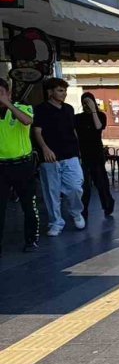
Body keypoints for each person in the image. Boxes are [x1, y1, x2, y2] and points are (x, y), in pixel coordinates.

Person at [33, 78, 85, 236]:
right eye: (60, 90)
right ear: (50, 92)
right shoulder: (41, 109)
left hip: (70, 154)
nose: (64, 94)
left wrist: (78, 150)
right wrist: (45, 149)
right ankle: (55, 222)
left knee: (76, 186)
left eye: (64, 90)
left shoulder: (69, 109)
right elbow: (37, 131)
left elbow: (73, 130)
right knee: (51, 191)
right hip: (50, 158)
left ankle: (76, 212)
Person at [0, 78, 39, 255]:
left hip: (22, 165)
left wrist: (7, 104)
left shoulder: (22, 107)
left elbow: (27, 121)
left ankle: (31, 240)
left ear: (8, 93)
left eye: (1, 92)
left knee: (28, 205)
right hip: (1, 167)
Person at [75, 92, 115, 218]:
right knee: (84, 184)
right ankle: (83, 209)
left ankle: (108, 204)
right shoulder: (77, 118)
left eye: (89, 102)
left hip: (96, 153)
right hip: (83, 153)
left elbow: (98, 127)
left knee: (100, 182)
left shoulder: (100, 115)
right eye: (84, 102)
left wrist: (93, 111)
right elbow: (75, 133)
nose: (86, 105)